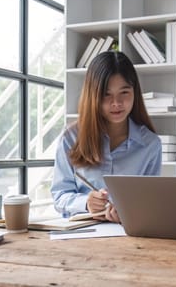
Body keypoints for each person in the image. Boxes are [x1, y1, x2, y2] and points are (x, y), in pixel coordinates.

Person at [51, 51, 162, 223]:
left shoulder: (151, 144)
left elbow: (151, 204)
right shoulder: (71, 137)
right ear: (93, 95)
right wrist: (86, 203)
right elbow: (60, 196)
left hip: (128, 236)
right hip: (81, 235)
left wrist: (129, 212)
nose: (116, 103)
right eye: (106, 94)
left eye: (124, 92)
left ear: (135, 92)